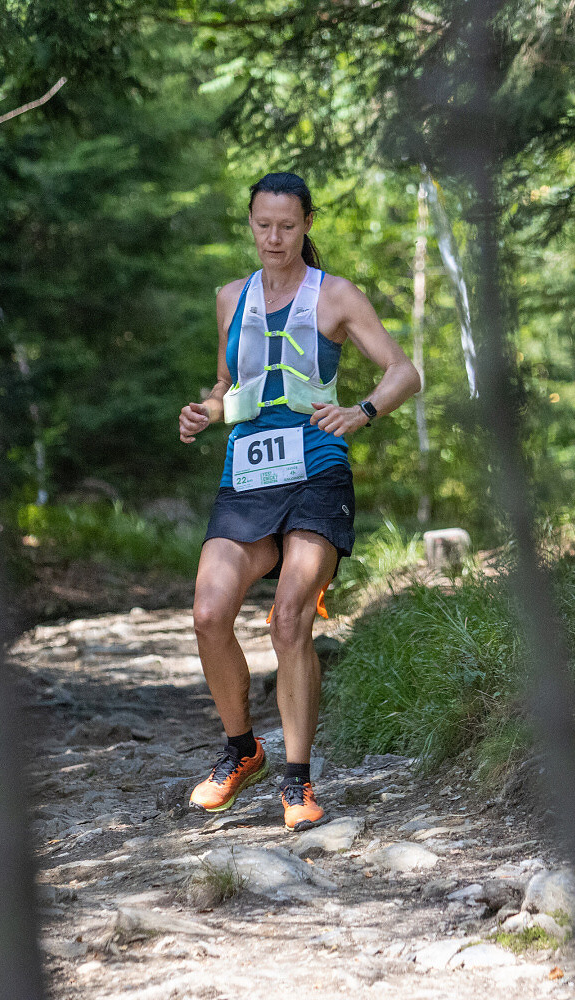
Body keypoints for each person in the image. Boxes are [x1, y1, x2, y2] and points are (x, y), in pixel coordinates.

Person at [178, 172, 420, 831]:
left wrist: (362, 411)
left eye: (287, 226)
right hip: (248, 474)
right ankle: (242, 751)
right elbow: (227, 385)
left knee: (289, 619)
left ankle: (297, 778)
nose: (274, 238)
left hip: (317, 470)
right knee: (208, 613)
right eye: (263, 225)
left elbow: (404, 371)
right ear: (250, 224)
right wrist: (205, 411)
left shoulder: (335, 295)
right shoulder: (231, 297)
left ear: (307, 223)